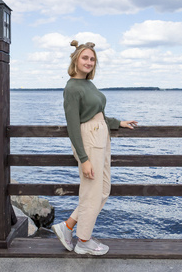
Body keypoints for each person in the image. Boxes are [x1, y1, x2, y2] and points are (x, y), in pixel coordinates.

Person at [51, 40, 137, 255]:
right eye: (85, 58)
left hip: (101, 137)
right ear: (76, 59)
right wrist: (84, 158)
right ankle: (83, 241)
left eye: (92, 59)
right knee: (91, 193)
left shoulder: (89, 84)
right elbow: (73, 125)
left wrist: (119, 123)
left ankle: (68, 226)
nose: (89, 62)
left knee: (103, 189)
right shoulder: (72, 88)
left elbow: (98, 114)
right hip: (89, 141)